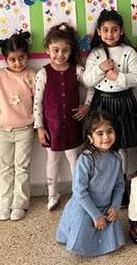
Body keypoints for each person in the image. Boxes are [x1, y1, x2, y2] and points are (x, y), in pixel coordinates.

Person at [82, 9, 137, 205]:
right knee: (102, 145)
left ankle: (121, 186)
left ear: (121, 31)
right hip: (102, 104)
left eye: (114, 29)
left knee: (121, 146)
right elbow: (86, 81)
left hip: (123, 103)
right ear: (99, 32)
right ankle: (103, 185)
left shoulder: (128, 52)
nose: (110, 34)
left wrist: (118, 77)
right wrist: (101, 69)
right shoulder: (95, 54)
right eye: (105, 30)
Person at [33, 23, 92, 210]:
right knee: (52, 161)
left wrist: (86, 106)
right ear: (47, 50)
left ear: (71, 50)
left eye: (65, 50)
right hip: (52, 129)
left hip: (73, 126)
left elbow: (92, 87)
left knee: (75, 161)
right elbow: (37, 102)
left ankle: (78, 194)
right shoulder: (43, 73)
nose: (60, 54)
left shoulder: (77, 70)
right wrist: (39, 127)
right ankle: (52, 194)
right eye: (55, 50)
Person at [55, 112, 125, 256]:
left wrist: (115, 206)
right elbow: (79, 191)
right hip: (85, 206)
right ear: (90, 138)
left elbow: (119, 185)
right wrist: (95, 215)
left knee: (115, 241)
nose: (106, 137)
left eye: (110, 131)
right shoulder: (86, 159)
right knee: (81, 239)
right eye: (100, 133)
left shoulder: (117, 158)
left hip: (106, 206)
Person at [0, 31, 37, 221]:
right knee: (6, 168)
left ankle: (19, 204)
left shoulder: (31, 75)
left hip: (25, 129)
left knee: (22, 167)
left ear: (27, 56)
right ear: (5, 59)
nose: (17, 63)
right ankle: (4, 204)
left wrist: (38, 124)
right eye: (12, 59)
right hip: (2, 129)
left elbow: (38, 101)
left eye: (21, 58)